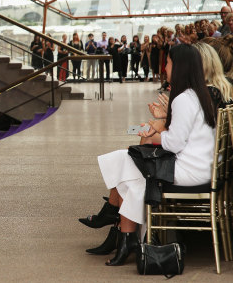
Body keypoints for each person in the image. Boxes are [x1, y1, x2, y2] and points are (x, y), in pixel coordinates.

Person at [79, 44, 216, 266]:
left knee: (126, 161)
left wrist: (154, 134)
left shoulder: (183, 99)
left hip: (187, 172)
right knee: (129, 172)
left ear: (179, 67)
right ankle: (125, 236)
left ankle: (120, 228)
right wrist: (164, 120)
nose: (165, 66)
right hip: (201, 168)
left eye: (169, 62)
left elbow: (173, 143)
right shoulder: (198, 95)